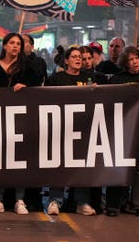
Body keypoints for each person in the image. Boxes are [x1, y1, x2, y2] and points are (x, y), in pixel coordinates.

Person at [0, 33, 39, 215]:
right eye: (12, 43)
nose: (15, 46)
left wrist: (26, 86)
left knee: (19, 159)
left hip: (21, 120)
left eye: (18, 44)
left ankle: (19, 200)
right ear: (4, 46)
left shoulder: (27, 68)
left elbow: (37, 83)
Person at [45, 47, 102, 216]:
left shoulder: (89, 79)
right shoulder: (55, 79)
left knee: (82, 166)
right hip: (61, 129)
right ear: (67, 60)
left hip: (82, 130)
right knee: (59, 165)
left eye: (80, 57)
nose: (78, 59)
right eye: (74, 57)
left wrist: (95, 92)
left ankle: (82, 202)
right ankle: (55, 200)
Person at [106, 46, 139, 217]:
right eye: (130, 59)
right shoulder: (116, 80)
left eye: (136, 58)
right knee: (118, 166)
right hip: (119, 129)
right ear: (125, 62)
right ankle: (114, 204)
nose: (135, 62)